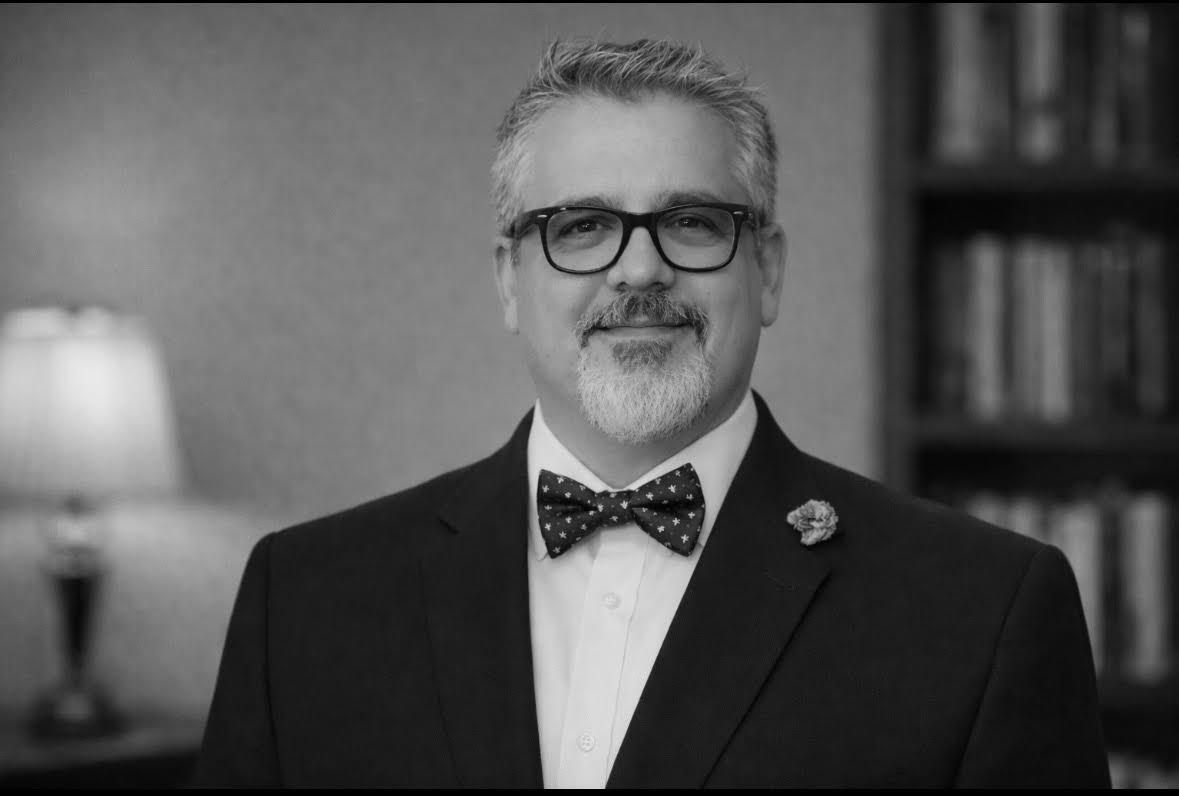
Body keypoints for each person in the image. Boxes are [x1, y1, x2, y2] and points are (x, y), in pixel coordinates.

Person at [192, 39, 1110, 787]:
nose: (639, 271)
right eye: (582, 227)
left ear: (768, 271)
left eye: (693, 223)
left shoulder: (983, 610)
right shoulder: (304, 599)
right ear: (510, 279)